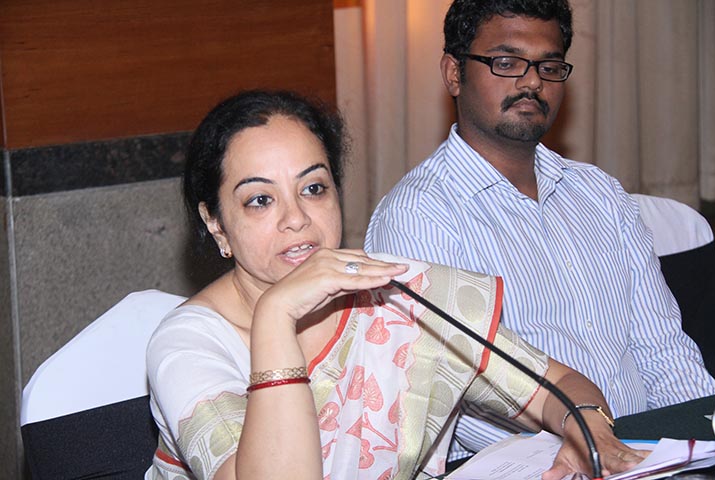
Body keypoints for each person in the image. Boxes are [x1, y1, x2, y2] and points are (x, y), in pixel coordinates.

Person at [145, 89, 646, 480]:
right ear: (215, 223)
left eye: (313, 188)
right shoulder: (188, 344)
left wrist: (588, 429)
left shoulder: (395, 295)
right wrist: (277, 314)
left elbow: (557, 386)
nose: (296, 218)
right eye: (260, 200)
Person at [364, 0, 715, 464]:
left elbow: (663, 349)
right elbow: (453, 396)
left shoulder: (599, 193)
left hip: (649, 454)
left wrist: (704, 440)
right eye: (506, 62)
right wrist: (580, 451)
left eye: (549, 66)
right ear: (454, 73)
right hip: (532, 465)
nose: (532, 82)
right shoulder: (419, 215)